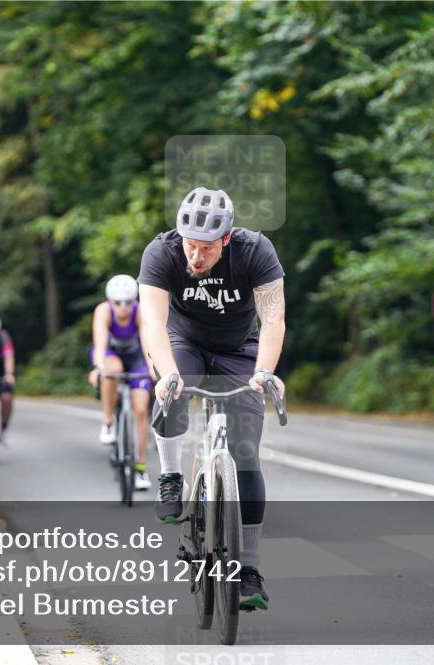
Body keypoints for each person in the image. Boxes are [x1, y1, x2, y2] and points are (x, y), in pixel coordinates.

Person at [138, 186, 286, 611]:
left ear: (227, 239)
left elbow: (273, 316)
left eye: (206, 248)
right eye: (190, 245)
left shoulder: (256, 251)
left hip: (239, 349)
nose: (195, 258)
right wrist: (167, 374)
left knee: (246, 456)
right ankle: (170, 477)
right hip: (183, 343)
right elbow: (153, 322)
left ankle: (250, 570)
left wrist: (265, 371)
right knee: (171, 388)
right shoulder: (161, 253)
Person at [87, 275, 154, 490]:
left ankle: (141, 469)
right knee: (111, 369)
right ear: (110, 301)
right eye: (117, 303)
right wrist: (98, 367)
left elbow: (146, 341)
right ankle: (108, 422)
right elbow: (100, 342)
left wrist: (153, 368)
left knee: (141, 409)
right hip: (110, 355)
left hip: (136, 359)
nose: (123, 308)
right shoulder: (103, 311)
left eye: (127, 302)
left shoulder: (140, 310)